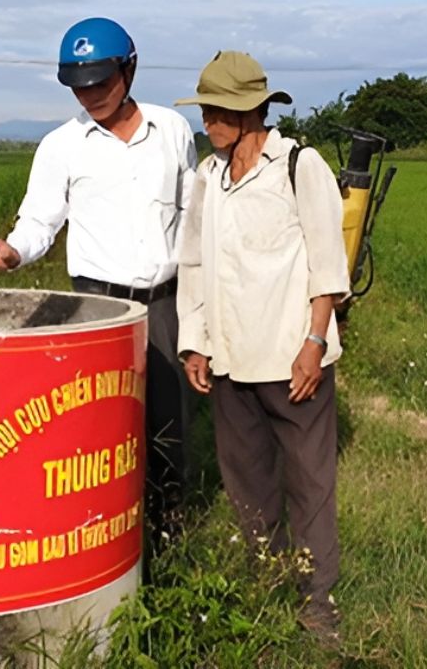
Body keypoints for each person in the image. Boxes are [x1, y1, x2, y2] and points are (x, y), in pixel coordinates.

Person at [0, 17, 198, 564]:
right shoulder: (61, 147)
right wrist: (14, 251)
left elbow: (194, 214)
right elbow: (39, 221)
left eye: (101, 81)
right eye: (79, 85)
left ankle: (169, 536)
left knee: (168, 425)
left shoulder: (172, 131)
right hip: (98, 306)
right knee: (98, 429)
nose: (90, 94)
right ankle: (97, 540)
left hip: (164, 301)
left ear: (130, 69)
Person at [174, 51, 349, 645]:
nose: (207, 123)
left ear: (249, 110)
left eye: (216, 111)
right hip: (229, 359)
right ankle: (267, 580)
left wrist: (314, 342)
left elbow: (328, 266)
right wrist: (194, 345)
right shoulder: (209, 175)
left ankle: (318, 601)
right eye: (204, 111)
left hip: (291, 357)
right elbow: (193, 264)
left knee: (309, 480)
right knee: (246, 478)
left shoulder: (299, 166)